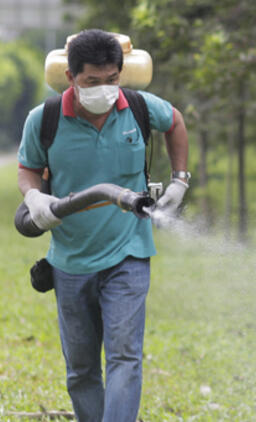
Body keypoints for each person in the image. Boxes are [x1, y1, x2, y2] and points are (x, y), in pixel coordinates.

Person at [16, 29, 190, 422]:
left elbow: (175, 122)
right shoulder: (44, 120)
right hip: (70, 261)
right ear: (72, 78)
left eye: (112, 80)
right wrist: (34, 197)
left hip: (128, 254)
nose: (105, 90)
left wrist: (180, 179)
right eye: (92, 82)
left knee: (125, 356)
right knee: (81, 370)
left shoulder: (140, 107)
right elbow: (27, 169)